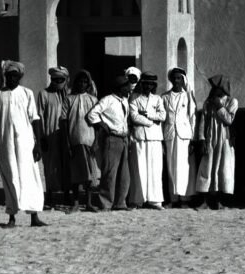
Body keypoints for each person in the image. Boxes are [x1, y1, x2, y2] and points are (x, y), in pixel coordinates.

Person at [0, 61, 47, 227]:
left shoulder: (27, 93)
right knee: (10, 176)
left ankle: (34, 216)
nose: (11, 78)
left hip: (25, 143)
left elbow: (35, 119)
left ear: (20, 77)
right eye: (9, 75)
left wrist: (37, 144)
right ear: (5, 76)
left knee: (29, 176)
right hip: (5, 143)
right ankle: (12, 217)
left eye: (15, 75)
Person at [86, 75, 133, 211]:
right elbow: (92, 114)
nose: (129, 89)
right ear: (120, 87)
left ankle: (120, 203)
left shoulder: (124, 101)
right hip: (112, 138)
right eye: (126, 86)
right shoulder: (107, 100)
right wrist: (102, 125)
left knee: (124, 174)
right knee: (109, 173)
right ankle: (105, 203)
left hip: (123, 138)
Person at [195, 75, 238, 210]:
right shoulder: (208, 103)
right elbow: (203, 122)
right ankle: (205, 201)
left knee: (221, 169)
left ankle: (218, 201)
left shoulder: (232, 101)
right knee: (207, 169)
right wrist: (202, 139)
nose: (214, 89)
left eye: (216, 87)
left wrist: (219, 105)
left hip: (224, 140)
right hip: (210, 139)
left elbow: (229, 120)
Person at [64, 70, 100, 214]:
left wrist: (96, 141)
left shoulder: (93, 100)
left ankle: (89, 203)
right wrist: (67, 142)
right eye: (80, 81)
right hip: (74, 140)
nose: (82, 84)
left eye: (85, 82)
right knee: (76, 174)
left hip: (89, 141)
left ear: (88, 84)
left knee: (89, 174)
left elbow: (97, 123)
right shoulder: (69, 99)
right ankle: (76, 203)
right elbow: (64, 121)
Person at [129, 72, 167, 210]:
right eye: (145, 84)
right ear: (141, 84)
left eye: (151, 84)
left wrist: (147, 114)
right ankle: (137, 200)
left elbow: (162, 116)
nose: (148, 86)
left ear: (153, 85)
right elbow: (134, 116)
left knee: (155, 169)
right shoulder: (134, 98)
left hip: (155, 138)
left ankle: (155, 200)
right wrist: (151, 122)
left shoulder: (157, 99)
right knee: (139, 168)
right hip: (139, 137)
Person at [37, 66, 72, 209]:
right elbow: (39, 116)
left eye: (60, 79)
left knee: (66, 165)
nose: (57, 82)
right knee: (50, 166)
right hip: (49, 135)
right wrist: (41, 137)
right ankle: (50, 195)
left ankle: (66, 195)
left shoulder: (69, 94)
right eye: (55, 79)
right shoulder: (44, 94)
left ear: (66, 80)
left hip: (66, 135)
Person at [162, 67, 197, 208]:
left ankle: (185, 199)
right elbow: (163, 119)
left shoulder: (188, 96)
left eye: (179, 78)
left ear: (183, 80)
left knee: (184, 167)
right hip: (170, 135)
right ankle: (173, 199)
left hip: (184, 136)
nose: (177, 81)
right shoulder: (164, 97)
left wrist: (193, 139)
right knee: (171, 167)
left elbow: (192, 117)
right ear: (171, 80)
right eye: (174, 78)